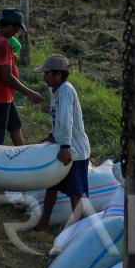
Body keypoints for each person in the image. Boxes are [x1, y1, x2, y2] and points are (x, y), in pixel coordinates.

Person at [35, 54, 92, 232]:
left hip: (74, 150)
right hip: (63, 146)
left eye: (47, 73)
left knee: (76, 192)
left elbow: (67, 119)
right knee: (52, 185)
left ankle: (76, 229)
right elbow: (58, 119)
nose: (44, 77)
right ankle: (44, 223)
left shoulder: (66, 90)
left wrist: (65, 147)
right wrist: (53, 136)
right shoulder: (55, 91)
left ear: (58, 75)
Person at [0, 8, 42, 146]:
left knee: (15, 126)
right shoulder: (2, 43)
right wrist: (30, 93)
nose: (16, 34)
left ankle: (23, 156)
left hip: (1, 95)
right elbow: (7, 77)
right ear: (11, 26)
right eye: (16, 29)